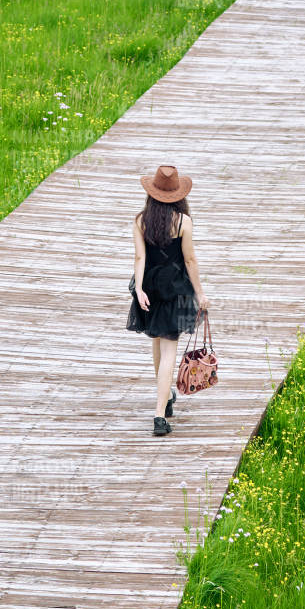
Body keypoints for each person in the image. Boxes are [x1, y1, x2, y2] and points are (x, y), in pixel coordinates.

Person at [126, 165, 208, 436]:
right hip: (175, 289)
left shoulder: (141, 220)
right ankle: (160, 414)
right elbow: (189, 260)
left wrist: (138, 289)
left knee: (157, 342)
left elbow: (140, 258)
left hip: (149, 288)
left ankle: (166, 396)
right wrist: (200, 293)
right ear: (178, 195)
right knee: (169, 351)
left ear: (151, 194)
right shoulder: (184, 222)